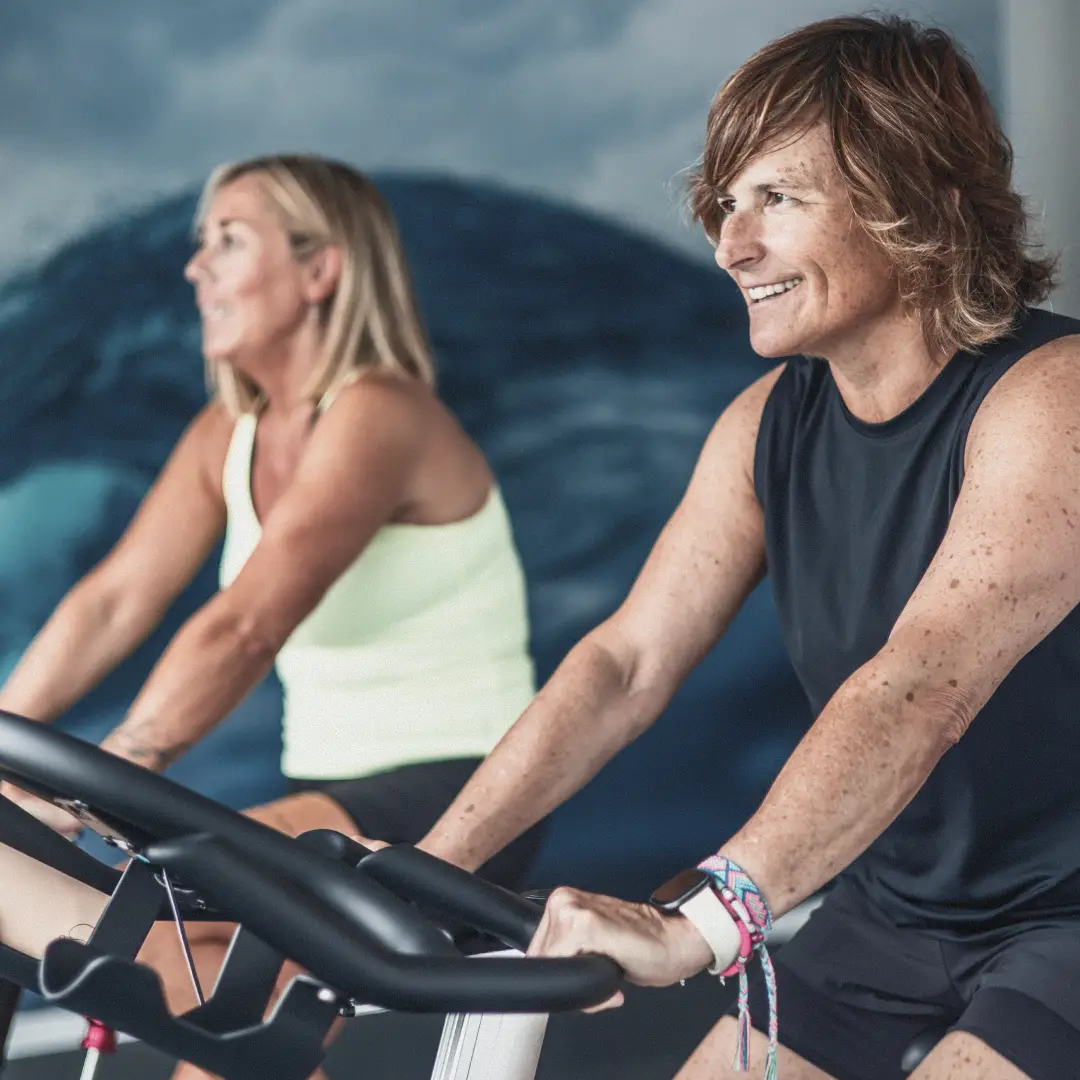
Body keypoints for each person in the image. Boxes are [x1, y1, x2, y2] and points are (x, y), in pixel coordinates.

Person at [387, 16, 1079, 1080]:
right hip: (894, 909)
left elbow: (922, 684)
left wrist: (706, 924)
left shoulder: (1050, 398)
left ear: (920, 203)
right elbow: (626, 664)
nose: (729, 245)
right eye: (726, 202)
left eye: (780, 200)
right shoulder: (768, 424)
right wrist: (431, 865)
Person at [0, 154, 544, 1080]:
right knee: (202, 1004)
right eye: (199, 241)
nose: (195, 266)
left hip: (455, 802)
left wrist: (119, 772)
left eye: (229, 240)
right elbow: (112, 600)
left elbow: (247, 621)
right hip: (327, 801)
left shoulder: (381, 412)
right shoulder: (229, 433)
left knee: (135, 900)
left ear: (320, 271)